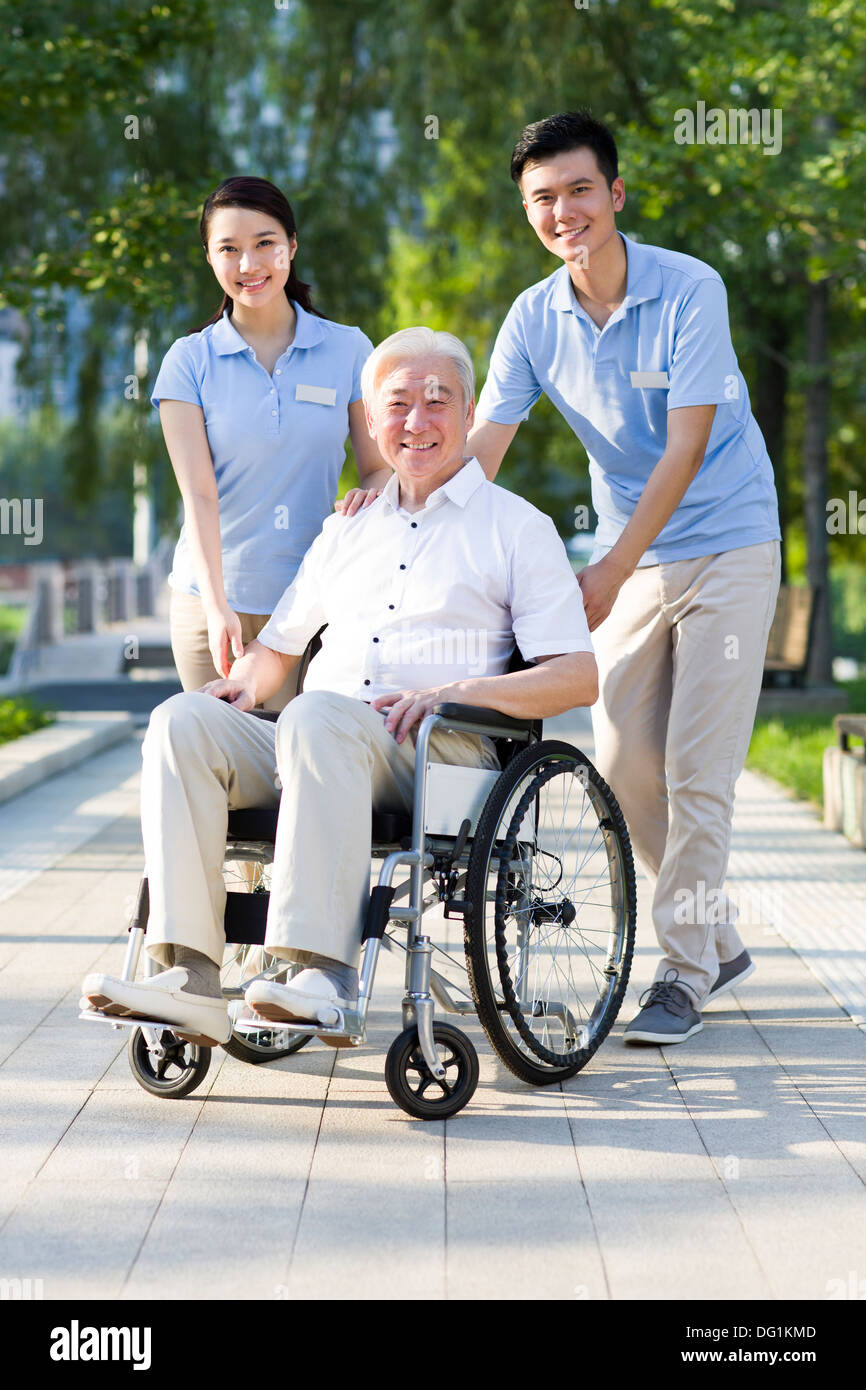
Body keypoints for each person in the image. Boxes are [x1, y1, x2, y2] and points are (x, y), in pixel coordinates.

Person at [81, 327, 597, 1045]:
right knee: (181, 722)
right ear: (371, 415)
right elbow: (275, 652)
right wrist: (237, 687)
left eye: (437, 401)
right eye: (397, 404)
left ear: (470, 410)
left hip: (439, 754)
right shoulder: (347, 528)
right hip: (318, 741)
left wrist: (458, 690)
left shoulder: (517, 527)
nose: (416, 421)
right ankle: (190, 978)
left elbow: (577, 677)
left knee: (318, 715)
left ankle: (320, 971)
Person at [467, 110, 782, 1046]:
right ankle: (715, 932)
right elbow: (482, 449)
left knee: (698, 764)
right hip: (630, 555)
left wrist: (607, 565)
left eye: (577, 190)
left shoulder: (690, 289)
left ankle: (683, 973)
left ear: (614, 193)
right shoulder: (534, 318)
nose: (563, 211)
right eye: (542, 199)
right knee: (624, 765)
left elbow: (685, 444)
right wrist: (402, 516)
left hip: (727, 540)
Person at [151, 175, 390, 710]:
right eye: (229, 249)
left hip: (313, 604)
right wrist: (217, 609)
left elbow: (378, 467)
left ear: (292, 247)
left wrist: (366, 494)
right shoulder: (187, 362)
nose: (248, 264)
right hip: (210, 605)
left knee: (302, 771)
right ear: (210, 259)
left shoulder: (349, 350)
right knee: (221, 774)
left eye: (265, 244)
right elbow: (200, 495)